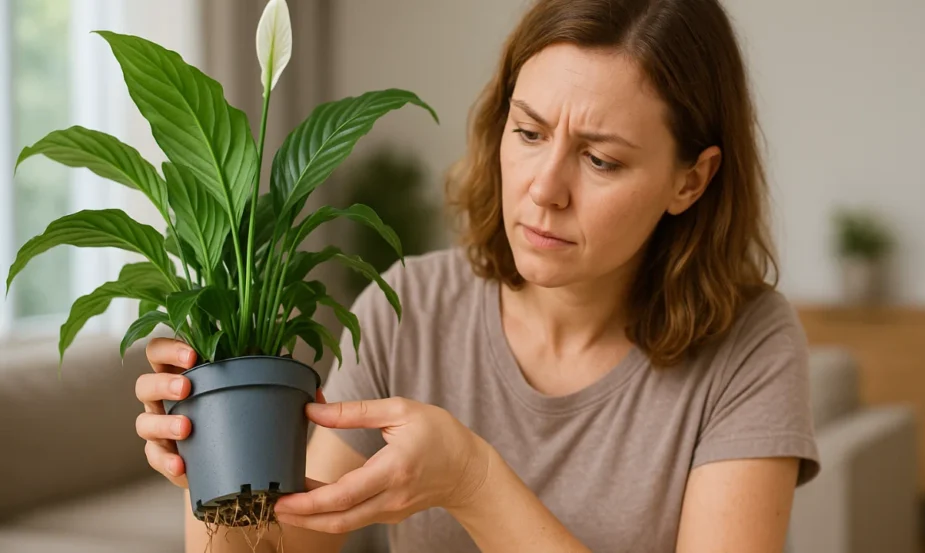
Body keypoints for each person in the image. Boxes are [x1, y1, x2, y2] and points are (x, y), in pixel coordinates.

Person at [135, 0, 821, 551]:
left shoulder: (750, 346)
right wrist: (212, 456)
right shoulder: (410, 305)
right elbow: (286, 548)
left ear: (691, 180)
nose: (544, 188)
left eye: (601, 160)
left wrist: (473, 480)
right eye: (528, 133)